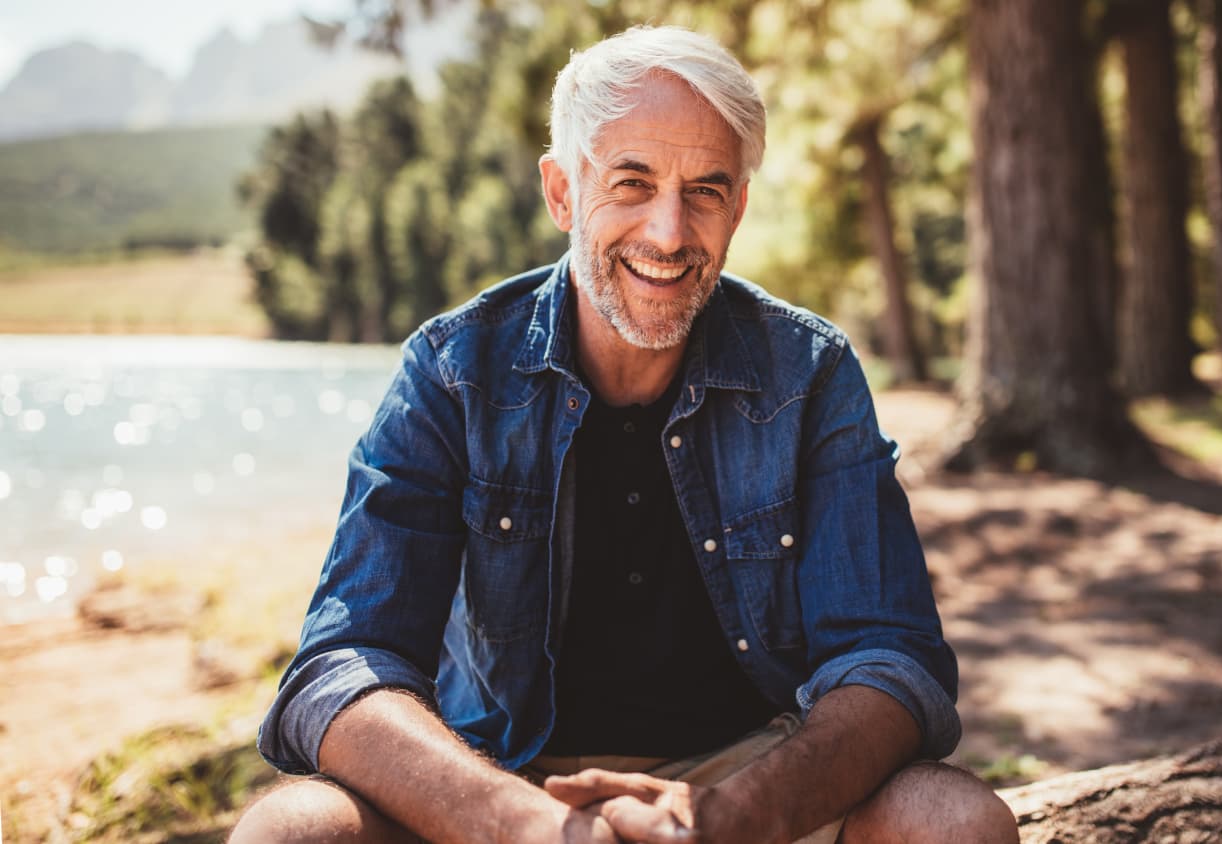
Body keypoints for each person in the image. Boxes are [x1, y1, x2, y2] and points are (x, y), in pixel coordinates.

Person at [231, 25, 1019, 844]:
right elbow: (343, 664)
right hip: (500, 781)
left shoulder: (810, 373)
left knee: (951, 822)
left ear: (739, 206)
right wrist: (531, 827)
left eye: (706, 190)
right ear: (562, 191)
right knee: (292, 831)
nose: (670, 233)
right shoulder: (453, 371)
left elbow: (891, 662)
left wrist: (725, 818)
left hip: (755, 781)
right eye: (632, 183)